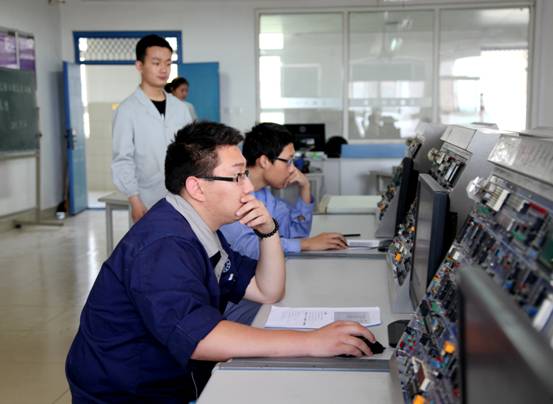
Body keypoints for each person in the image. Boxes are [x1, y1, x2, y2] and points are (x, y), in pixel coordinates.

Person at [65, 121, 376, 403]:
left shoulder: (202, 230)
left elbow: (268, 291)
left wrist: (268, 232)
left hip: (172, 380)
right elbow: (201, 338)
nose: (249, 187)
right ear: (196, 187)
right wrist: (311, 342)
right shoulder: (165, 246)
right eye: (237, 176)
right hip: (126, 395)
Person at [220, 122, 348, 261]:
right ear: (264, 161)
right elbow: (247, 248)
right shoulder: (231, 195)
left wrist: (305, 187)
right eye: (288, 161)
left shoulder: (267, 197)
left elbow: (297, 233)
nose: (293, 169)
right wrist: (305, 244)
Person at [112, 35, 192, 223]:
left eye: (168, 63)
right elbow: (122, 159)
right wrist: (134, 199)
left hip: (183, 197)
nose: (164, 69)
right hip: (146, 199)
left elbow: (190, 150)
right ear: (139, 65)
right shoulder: (127, 110)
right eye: (156, 63)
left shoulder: (181, 108)